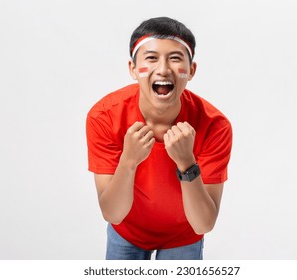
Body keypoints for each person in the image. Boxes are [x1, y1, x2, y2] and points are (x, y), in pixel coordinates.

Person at [86, 17, 232, 260]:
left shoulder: (215, 125)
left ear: (192, 70)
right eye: (151, 58)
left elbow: (203, 224)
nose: (163, 69)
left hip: (184, 236)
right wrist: (129, 160)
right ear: (133, 69)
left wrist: (187, 164)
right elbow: (113, 214)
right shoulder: (104, 116)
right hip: (128, 232)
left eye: (175, 58)